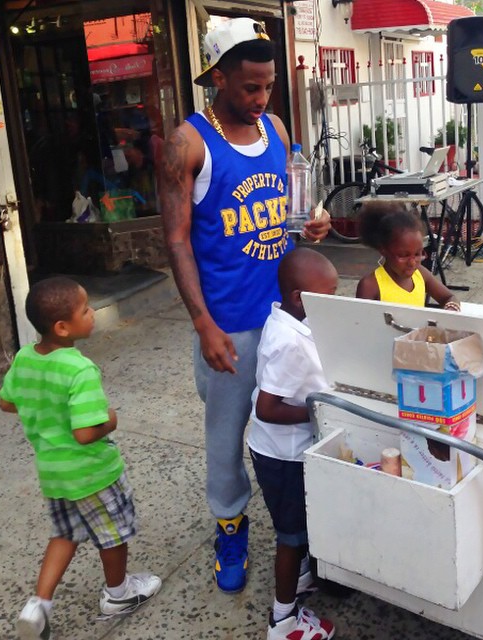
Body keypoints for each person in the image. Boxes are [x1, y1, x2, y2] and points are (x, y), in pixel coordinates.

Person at [159, 17, 330, 595]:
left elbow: (290, 202)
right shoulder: (187, 143)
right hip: (230, 323)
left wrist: (314, 221)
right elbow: (177, 239)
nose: (261, 99)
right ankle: (229, 525)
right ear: (217, 78)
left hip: (288, 313)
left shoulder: (276, 128)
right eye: (249, 87)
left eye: (269, 85)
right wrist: (202, 322)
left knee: (301, 422)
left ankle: (304, 525)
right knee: (227, 435)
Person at [0, 276, 161, 640]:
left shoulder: (25, 358)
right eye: (85, 310)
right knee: (114, 534)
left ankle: (39, 605)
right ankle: (118, 594)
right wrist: (112, 419)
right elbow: (86, 432)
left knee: (64, 534)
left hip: (54, 473)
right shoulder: (78, 368)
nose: (91, 313)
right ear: (62, 327)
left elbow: (8, 402)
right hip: (93, 474)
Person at [247, 248, 337, 639]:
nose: (334, 300)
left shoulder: (288, 317)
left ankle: (301, 576)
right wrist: (319, 411)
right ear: (301, 298)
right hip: (283, 453)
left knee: (299, 523)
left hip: (284, 448)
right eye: (329, 294)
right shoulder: (290, 342)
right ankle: (282, 620)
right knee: (291, 535)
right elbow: (267, 408)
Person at [355, 202, 461, 310]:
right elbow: (360, 323)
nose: (412, 263)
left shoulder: (420, 274)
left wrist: (451, 307)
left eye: (417, 254)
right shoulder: (370, 285)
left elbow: (449, 297)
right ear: (383, 250)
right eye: (403, 256)